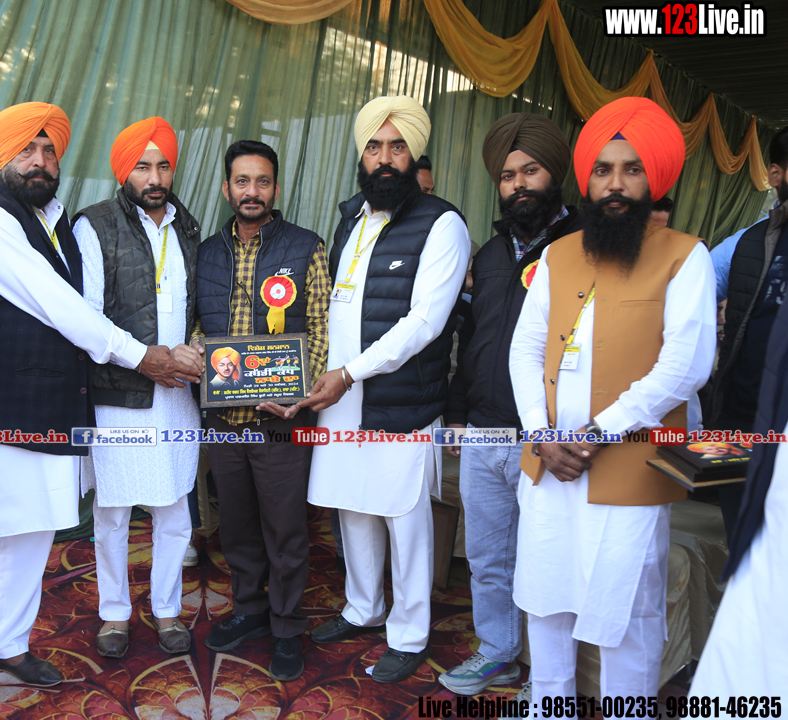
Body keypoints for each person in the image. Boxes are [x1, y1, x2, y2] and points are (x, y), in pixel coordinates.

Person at [0, 103, 197, 718]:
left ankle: (8, 646)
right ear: (3, 156)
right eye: (27, 149)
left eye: (49, 150)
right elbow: (62, 306)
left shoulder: (48, 218)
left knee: (32, 534)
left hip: (49, 404)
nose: (40, 161)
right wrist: (143, 356)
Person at [509, 96, 716, 698]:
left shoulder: (686, 256)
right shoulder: (556, 255)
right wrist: (542, 434)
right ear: (587, 179)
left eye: (631, 169)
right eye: (603, 170)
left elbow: (685, 367)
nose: (616, 184)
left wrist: (596, 433)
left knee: (627, 614)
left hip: (630, 468)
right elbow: (525, 349)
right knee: (546, 602)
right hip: (550, 465)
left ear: (655, 179)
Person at [295, 96, 470, 684]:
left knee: (405, 520)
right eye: (374, 146)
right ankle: (363, 608)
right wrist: (322, 372)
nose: (385, 158)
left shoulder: (442, 224)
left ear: (414, 153)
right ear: (362, 154)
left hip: (400, 402)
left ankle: (410, 632)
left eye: (398, 146)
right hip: (340, 397)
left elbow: (425, 322)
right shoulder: (351, 219)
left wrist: (350, 372)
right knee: (353, 506)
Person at [440, 112, 580, 697]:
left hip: (545, 435)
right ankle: (497, 651)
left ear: (556, 174)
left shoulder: (582, 248)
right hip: (483, 431)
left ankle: (547, 677)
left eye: (531, 171)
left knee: (546, 561)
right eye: (506, 175)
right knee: (486, 556)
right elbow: (471, 336)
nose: (519, 184)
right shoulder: (494, 252)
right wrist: (457, 413)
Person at [194, 139, 330, 682]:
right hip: (225, 421)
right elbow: (198, 323)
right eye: (242, 181)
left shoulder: (305, 247)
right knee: (238, 526)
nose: (253, 191)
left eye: (263, 181)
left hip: (282, 421)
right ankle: (250, 609)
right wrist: (199, 352)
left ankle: (287, 626)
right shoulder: (207, 252)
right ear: (227, 188)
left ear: (276, 188)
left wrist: (298, 391)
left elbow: (319, 325)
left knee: (286, 530)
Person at [73, 115, 203, 660]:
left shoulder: (187, 226)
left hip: (176, 397)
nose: (154, 177)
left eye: (163, 166)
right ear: (123, 171)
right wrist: (148, 360)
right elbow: (87, 318)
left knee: (174, 509)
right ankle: (114, 612)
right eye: (143, 166)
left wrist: (195, 347)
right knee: (114, 512)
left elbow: (197, 308)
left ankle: (168, 609)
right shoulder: (95, 226)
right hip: (119, 395)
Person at [690, 243, 788, 697]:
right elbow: (702, 294)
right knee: (744, 547)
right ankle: (725, 655)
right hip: (739, 415)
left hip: (777, 427)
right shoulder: (751, 242)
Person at [703, 126, 788, 537]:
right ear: (775, 174)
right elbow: (694, 302)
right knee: (741, 535)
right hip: (740, 417)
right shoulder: (745, 243)